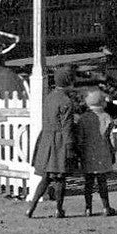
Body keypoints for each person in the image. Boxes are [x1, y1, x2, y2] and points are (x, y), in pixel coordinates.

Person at [27, 67, 77, 218]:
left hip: (46, 139)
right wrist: (70, 147)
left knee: (46, 177)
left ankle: (31, 208)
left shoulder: (49, 97)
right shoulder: (66, 101)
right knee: (60, 177)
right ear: (69, 82)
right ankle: (58, 209)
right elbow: (67, 127)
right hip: (59, 142)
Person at [78, 89, 117, 216]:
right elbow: (113, 138)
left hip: (87, 154)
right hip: (103, 153)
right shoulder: (106, 117)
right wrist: (113, 151)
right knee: (102, 182)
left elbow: (80, 138)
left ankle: (88, 208)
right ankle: (106, 207)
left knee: (88, 182)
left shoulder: (83, 118)